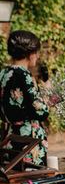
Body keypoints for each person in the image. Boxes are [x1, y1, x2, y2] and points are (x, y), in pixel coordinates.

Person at [0, 30, 49, 165]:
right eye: (37, 52)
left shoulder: (3, 73)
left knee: (11, 180)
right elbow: (40, 111)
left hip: (9, 137)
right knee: (30, 180)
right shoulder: (24, 75)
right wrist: (46, 101)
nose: (38, 56)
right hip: (28, 140)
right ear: (30, 54)